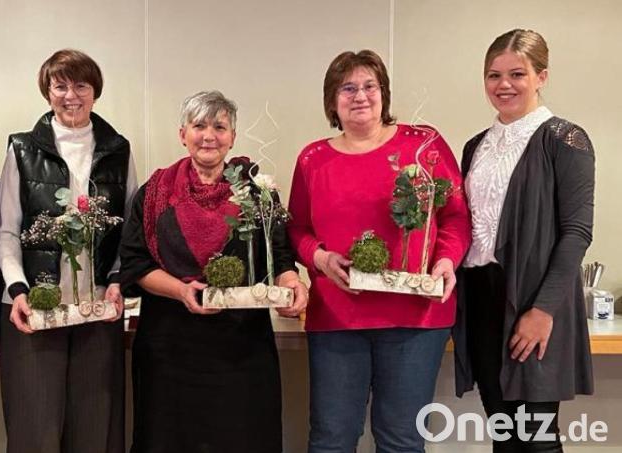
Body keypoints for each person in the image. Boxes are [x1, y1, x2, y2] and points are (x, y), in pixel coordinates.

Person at [288, 50, 471, 453]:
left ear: (383, 93)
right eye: (347, 87)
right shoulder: (313, 159)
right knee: (331, 438)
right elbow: (297, 229)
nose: (360, 96)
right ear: (332, 100)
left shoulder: (424, 145)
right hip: (337, 317)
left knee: (402, 439)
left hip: (415, 316)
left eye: (369, 86)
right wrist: (319, 257)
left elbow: (456, 217)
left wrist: (446, 260)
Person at [119, 90, 308, 453]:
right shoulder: (154, 192)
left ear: (233, 137)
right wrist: (180, 290)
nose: (209, 135)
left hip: (242, 352)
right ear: (183, 134)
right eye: (199, 125)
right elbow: (135, 265)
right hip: (169, 351)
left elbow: (281, 257)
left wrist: (291, 283)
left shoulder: (259, 193)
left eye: (219, 126)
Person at [453, 29, 594, 452]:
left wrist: (542, 310)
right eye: (493, 75)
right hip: (481, 298)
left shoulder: (564, 139)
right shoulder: (475, 146)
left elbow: (576, 232)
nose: (504, 85)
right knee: (504, 436)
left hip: (531, 299)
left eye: (517, 73)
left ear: (542, 76)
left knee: (536, 439)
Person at [0, 48, 135, 453]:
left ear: (95, 92)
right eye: (60, 86)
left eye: (81, 85)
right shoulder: (22, 149)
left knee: (95, 428)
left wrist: (115, 281)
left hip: (98, 307)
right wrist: (18, 289)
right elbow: (7, 231)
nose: (70, 95)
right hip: (35, 306)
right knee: (34, 429)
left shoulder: (118, 148)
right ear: (47, 91)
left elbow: (129, 229)